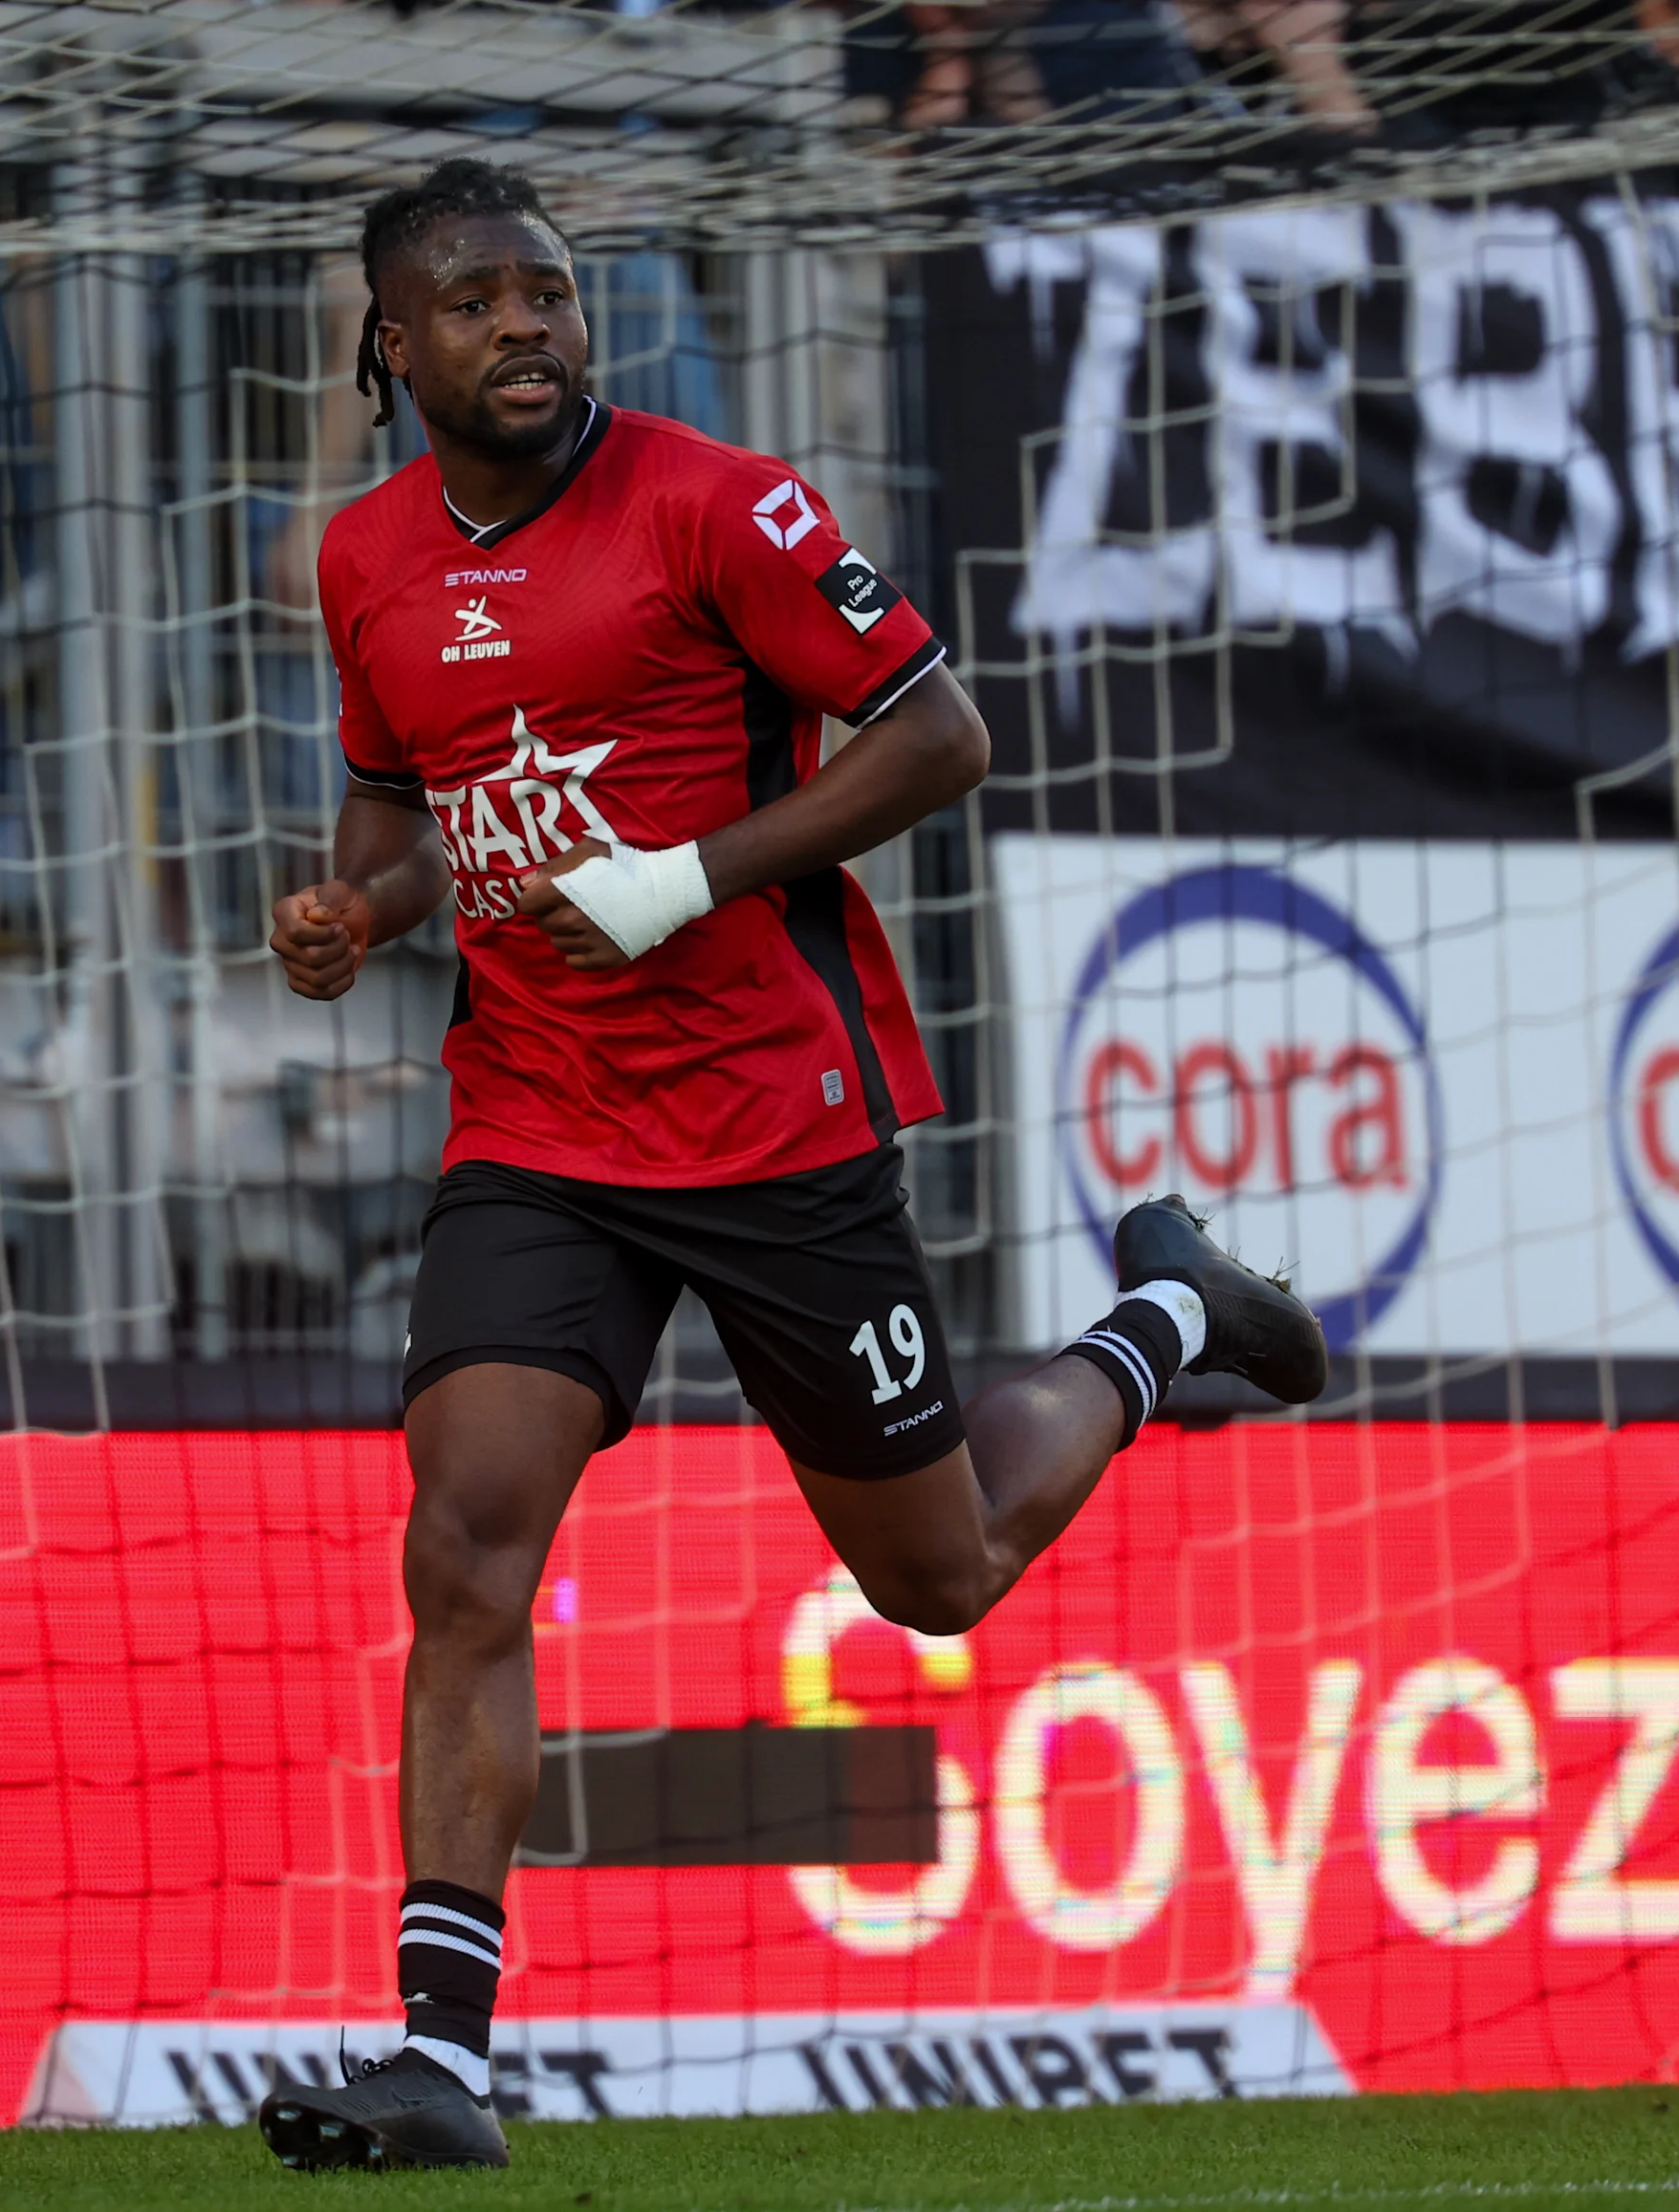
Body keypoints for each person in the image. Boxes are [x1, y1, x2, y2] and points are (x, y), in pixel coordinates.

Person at [251, 157, 1329, 2171]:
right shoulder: (367, 556)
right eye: (478, 298)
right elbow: (394, 826)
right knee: (465, 1537)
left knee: (936, 1576)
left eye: (552, 293)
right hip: (539, 1124)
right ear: (391, 342)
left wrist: (686, 876)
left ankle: (1170, 1310)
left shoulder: (713, 499)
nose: (529, 324)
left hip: (770, 1114)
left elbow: (939, 736)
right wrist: (353, 917)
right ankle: (445, 2056)